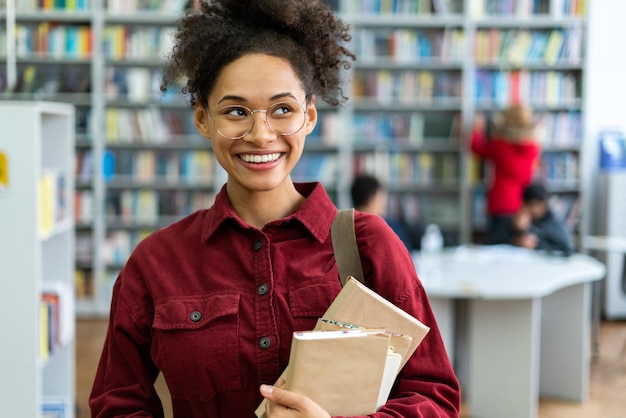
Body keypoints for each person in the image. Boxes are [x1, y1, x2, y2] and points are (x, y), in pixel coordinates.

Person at [89, 1, 460, 417]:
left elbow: (434, 397)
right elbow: (116, 403)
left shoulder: (369, 245)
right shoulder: (155, 263)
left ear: (310, 116)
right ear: (202, 119)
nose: (260, 134)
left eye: (283, 109)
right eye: (235, 112)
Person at [470, 104, 541, 244]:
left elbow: (476, 148)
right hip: (522, 204)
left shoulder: (500, 145)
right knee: (517, 245)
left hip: (500, 202)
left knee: (496, 245)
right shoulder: (533, 148)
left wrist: (477, 128)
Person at [490, 183, 574, 255]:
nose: (533, 209)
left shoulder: (554, 223)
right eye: (529, 205)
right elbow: (491, 242)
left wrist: (537, 245)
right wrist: (514, 231)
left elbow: (566, 249)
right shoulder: (514, 220)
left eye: (536, 205)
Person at [350, 173, 414, 251]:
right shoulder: (387, 228)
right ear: (371, 201)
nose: (384, 204)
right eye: (381, 199)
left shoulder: (343, 228)